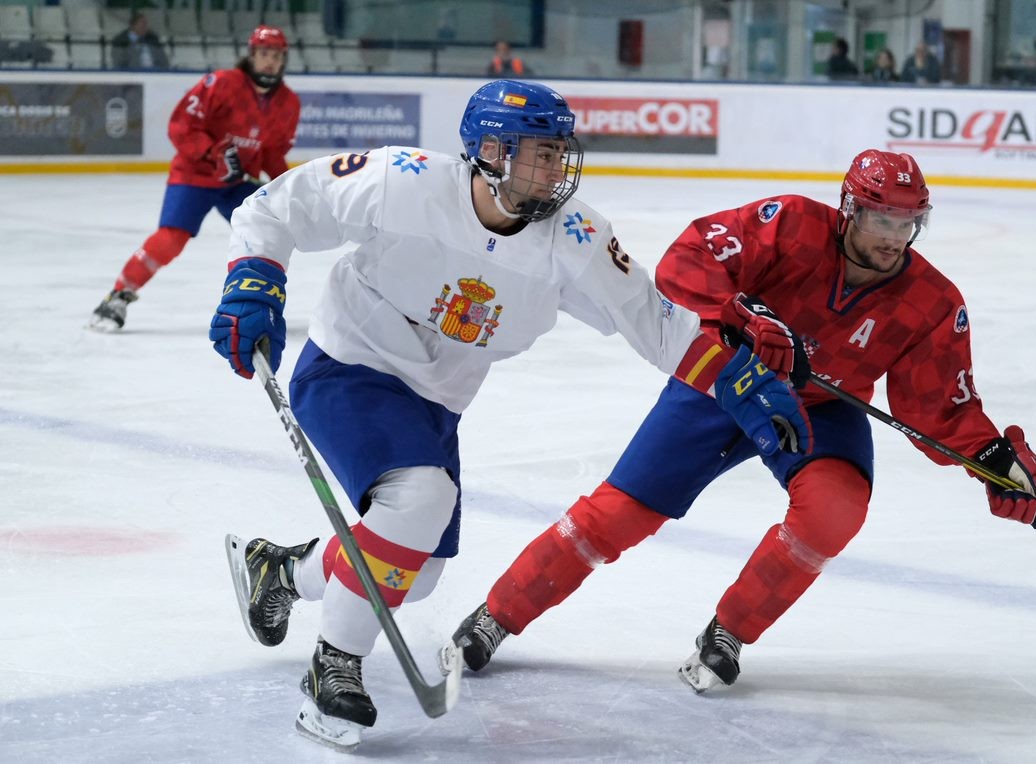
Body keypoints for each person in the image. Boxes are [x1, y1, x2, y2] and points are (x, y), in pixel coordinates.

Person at [211, 79, 807, 750]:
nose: (559, 168)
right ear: (490, 151)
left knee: (416, 564)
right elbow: (277, 205)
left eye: (561, 153)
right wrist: (253, 281)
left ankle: (282, 571)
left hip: (437, 401)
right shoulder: (401, 181)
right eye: (542, 153)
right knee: (419, 500)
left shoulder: (574, 238)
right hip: (352, 364)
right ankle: (334, 666)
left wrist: (741, 382)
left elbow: (655, 324)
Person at [444, 149, 1036, 696]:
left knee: (834, 512)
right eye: (879, 220)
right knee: (618, 515)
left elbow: (937, 405)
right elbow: (689, 258)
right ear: (849, 210)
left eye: (905, 224)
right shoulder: (788, 223)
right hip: (724, 380)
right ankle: (497, 615)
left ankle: (729, 632)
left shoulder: (932, 302)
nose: (893, 239)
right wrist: (741, 313)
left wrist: (993, 459)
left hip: (822, 405)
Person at [88, 26, 299, 332]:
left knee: (266, 234)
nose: (270, 62)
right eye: (264, 54)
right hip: (195, 174)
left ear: (284, 61)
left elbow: (271, 154)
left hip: (237, 181)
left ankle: (256, 303)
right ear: (251, 55)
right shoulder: (222, 84)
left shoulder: (288, 103)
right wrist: (213, 153)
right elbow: (182, 126)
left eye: (276, 56)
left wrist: (289, 185)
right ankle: (118, 295)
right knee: (170, 239)